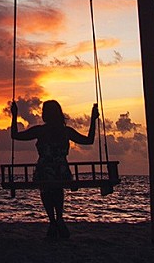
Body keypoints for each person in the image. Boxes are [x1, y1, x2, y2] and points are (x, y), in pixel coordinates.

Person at [10, 99, 98, 239]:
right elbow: (89, 140)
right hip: (61, 170)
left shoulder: (40, 131)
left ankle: (53, 222)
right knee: (57, 190)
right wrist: (93, 120)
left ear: (47, 114)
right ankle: (59, 219)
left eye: (44, 111)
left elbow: (15, 135)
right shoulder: (66, 131)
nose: (43, 113)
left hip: (44, 170)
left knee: (46, 191)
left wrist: (14, 116)